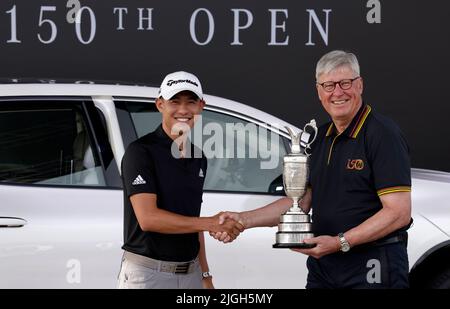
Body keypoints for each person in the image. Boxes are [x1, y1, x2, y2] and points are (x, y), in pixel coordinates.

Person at [213, 50, 412, 289]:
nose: (337, 92)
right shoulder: (320, 139)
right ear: (319, 92)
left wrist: (340, 242)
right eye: (328, 85)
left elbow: (398, 212)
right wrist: (243, 219)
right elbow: (300, 202)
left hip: (372, 264)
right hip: (325, 266)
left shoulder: (382, 134)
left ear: (360, 85)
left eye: (345, 83)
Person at [118, 71, 244, 289]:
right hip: (148, 275)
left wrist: (205, 275)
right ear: (160, 105)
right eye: (174, 102)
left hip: (191, 274)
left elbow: (191, 221)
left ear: (201, 106)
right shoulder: (140, 152)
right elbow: (148, 218)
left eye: (191, 102)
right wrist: (212, 223)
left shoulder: (198, 157)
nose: (183, 110)